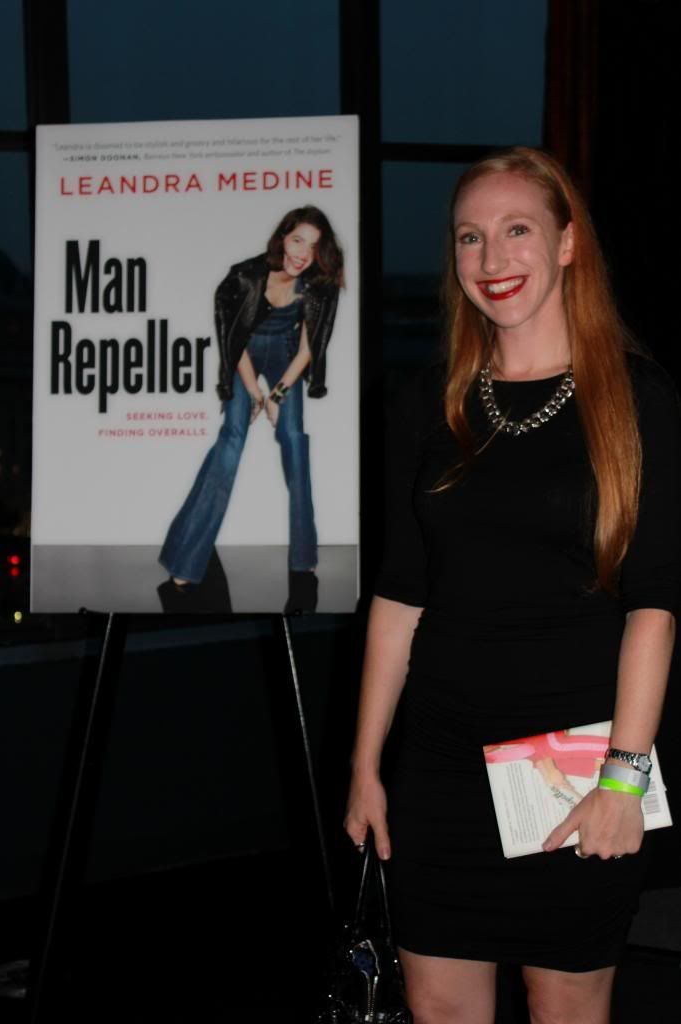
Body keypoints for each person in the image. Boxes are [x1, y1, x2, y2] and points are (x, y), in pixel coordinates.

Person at [344, 147, 680, 1023]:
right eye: (470, 237)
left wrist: (624, 780)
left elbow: (654, 604)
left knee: (564, 1005)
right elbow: (399, 593)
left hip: (574, 762)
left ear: (567, 244)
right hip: (441, 763)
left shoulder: (635, 397)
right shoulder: (430, 401)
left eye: (517, 230)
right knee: (440, 1008)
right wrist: (366, 764)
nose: (492, 259)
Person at [158, 205, 344, 613]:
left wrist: (277, 395)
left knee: (294, 439)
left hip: (286, 355)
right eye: (297, 240)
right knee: (231, 439)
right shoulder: (244, 276)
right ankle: (185, 562)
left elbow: (309, 348)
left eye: (313, 246)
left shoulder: (319, 285)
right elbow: (234, 340)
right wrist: (253, 393)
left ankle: (304, 562)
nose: (302, 253)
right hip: (244, 353)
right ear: (282, 238)